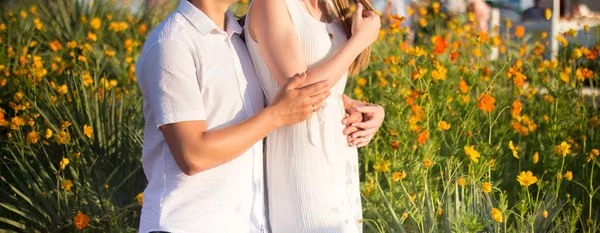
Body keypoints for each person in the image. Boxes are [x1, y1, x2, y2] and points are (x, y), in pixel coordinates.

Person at [135, 0, 384, 232]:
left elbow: (279, 96)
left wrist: (354, 107)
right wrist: (276, 115)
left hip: (247, 222)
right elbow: (192, 155)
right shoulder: (172, 43)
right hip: (186, 224)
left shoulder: (235, 38)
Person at [245, 0, 383, 231]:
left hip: (340, 154)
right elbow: (300, 91)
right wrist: (359, 40)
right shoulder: (270, 4)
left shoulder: (331, 4)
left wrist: (363, 109)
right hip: (301, 155)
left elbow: (331, 86)